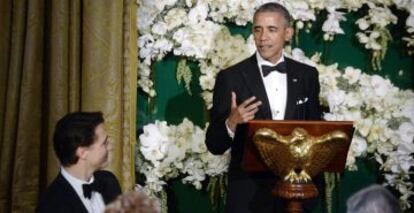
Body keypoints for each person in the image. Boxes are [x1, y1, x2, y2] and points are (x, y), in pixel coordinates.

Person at [205, 2, 322, 213]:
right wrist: (231, 123)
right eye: (257, 29)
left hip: (296, 195)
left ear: (288, 33)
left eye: (271, 29)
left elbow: (316, 130)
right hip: (247, 195)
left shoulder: (307, 75)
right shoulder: (231, 78)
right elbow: (214, 144)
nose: (262, 37)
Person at [37, 112, 122, 213]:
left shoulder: (109, 181)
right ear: (82, 153)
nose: (110, 147)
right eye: (104, 143)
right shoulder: (51, 206)